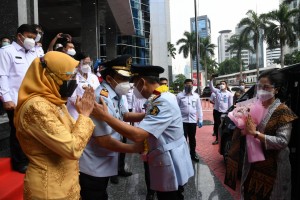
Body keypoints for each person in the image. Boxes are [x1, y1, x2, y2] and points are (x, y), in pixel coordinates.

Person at [92, 64, 194, 200]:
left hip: (169, 158)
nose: (133, 89)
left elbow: (138, 135)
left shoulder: (161, 102)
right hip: (170, 154)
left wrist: (105, 116)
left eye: (134, 85)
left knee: (170, 196)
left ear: (142, 82)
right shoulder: (163, 96)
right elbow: (140, 117)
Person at [14, 51, 96, 199]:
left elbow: (73, 135)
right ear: (51, 76)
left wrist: (80, 114)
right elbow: (72, 148)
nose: (73, 81)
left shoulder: (55, 101)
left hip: (67, 184)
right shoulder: (37, 107)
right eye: (69, 76)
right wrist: (84, 116)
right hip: (49, 189)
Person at [79, 55, 144, 200]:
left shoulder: (114, 93)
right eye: (122, 78)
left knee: (101, 194)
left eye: (128, 79)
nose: (127, 83)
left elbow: (124, 115)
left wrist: (146, 117)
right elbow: (103, 140)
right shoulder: (100, 98)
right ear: (109, 79)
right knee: (95, 195)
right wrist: (134, 148)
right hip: (94, 164)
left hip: (105, 158)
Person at [225, 69, 298, 200]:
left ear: (276, 89)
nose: (261, 90)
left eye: (266, 87)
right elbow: (245, 129)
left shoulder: (283, 111)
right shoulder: (252, 105)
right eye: (259, 86)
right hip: (252, 162)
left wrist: (255, 133)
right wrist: (242, 131)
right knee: (249, 191)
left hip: (274, 165)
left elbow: (282, 141)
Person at [0, 24, 44, 173]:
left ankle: (31, 157)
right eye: (29, 37)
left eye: (33, 37)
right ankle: (19, 162)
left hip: (33, 99)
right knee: (18, 131)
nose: (31, 40)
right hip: (15, 100)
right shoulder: (7, 51)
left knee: (32, 131)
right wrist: (6, 98)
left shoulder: (34, 53)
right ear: (19, 36)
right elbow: (2, 75)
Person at [67, 52, 100, 120]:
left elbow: (99, 93)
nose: (87, 65)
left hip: (93, 111)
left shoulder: (93, 77)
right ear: (78, 63)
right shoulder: (72, 76)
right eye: (85, 63)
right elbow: (71, 98)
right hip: (75, 112)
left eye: (89, 63)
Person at [176, 79, 203, 162]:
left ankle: (193, 154)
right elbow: (176, 108)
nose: (189, 86)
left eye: (191, 84)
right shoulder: (180, 96)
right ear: (184, 85)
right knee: (183, 139)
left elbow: (199, 108)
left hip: (192, 121)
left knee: (192, 139)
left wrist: (200, 118)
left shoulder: (196, 96)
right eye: (187, 84)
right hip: (182, 121)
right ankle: (183, 155)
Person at [209, 77, 233, 145]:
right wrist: (211, 80)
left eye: (223, 84)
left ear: (226, 85)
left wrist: (229, 113)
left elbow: (230, 105)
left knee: (223, 126)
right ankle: (217, 139)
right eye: (221, 84)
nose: (221, 85)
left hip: (224, 112)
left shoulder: (229, 94)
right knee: (217, 125)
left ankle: (222, 139)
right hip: (216, 111)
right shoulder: (217, 91)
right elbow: (211, 87)